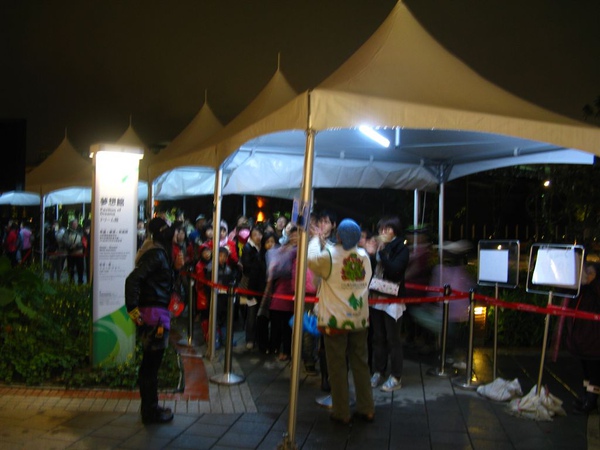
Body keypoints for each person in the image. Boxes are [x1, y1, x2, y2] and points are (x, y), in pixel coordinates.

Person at [307, 218, 374, 424]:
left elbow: (312, 260)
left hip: (335, 320)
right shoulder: (364, 256)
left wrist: (314, 240)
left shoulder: (329, 256)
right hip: (359, 319)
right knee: (361, 364)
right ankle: (366, 408)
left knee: (337, 366)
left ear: (338, 236)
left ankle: (341, 411)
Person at [125, 217, 181, 424]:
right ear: (164, 233)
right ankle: (150, 411)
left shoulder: (159, 253)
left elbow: (158, 281)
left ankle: (150, 408)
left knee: (150, 365)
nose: (177, 235)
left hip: (155, 313)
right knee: (150, 366)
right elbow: (133, 279)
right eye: (173, 232)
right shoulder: (156, 254)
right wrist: (132, 308)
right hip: (154, 316)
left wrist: (176, 269)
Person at [369, 215, 409, 392]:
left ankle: (396, 376)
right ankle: (378, 371)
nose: (383, 232)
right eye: (381, 229)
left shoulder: (401, 248)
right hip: (376, 296)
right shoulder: (378, 246)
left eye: (387, 228)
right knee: (378, 337)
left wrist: (381, 254)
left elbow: (395, 270)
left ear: (395, 230)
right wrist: (372, 254)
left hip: (393, 299)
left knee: (393, 338)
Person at [566, 261, 600, 414]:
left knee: (594, 372)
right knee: (586, 371)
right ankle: (586, 395)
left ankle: (592, 399)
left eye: (589, 273)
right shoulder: (582, 291)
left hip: (593, 340)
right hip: (582, 341)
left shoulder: (595, 290)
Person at [240, 225, 265, 350]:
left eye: (260, 234)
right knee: (251, 312)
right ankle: (249, 338)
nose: (258, 237)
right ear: (251, 236)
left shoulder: (263, 247)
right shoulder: (248, 248)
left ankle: (257, 338)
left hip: (260, 285)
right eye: (255, 235)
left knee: (258, 312)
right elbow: (247, 266)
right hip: (249, 285)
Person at [63, 219, 85, 284]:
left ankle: (80, 281)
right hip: (71, 252)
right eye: (74, 224)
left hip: (79, 252)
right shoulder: (67, 232)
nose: (75, 225)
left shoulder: (80, 231)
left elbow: (83, 240)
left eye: (76, 224)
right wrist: (71, 245)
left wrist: (77, 245)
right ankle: (71, 281)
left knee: (80, 268)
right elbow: (65, 239)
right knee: (70, 268)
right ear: (71, 224)